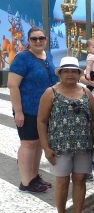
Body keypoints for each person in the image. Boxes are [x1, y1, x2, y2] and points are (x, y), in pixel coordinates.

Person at [38, 57, 94, 213]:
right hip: (60, 146)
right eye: (66, 71)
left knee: (80, 180)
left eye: (74, 71)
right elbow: (41, 121)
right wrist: (46, 147)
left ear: (79, 74)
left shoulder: (86, 92)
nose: (70, 74)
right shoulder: (50, 93)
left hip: (84, 145)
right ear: (60, 73)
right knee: (62, 182)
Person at [9, 27, 58, 192]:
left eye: (41, 38)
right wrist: (19, 111)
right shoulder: (22, 58)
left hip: (45, 110)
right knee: (28, 144)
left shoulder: (47, 55)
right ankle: (26, 181)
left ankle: (34, 176)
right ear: (28, 41)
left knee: (38, 144)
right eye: (34, 38)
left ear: (45, 39)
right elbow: (13, 85)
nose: (38, 41)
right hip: (28, 109)